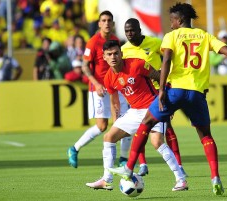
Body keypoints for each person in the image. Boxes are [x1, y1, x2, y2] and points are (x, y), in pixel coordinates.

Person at [108, 2, 227, 196]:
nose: (170, 24)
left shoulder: (172, 36)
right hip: (197, 93)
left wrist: (161, 90)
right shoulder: (205, 36)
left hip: (175, 90)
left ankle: (128, 168)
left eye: (172, 20)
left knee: (146, 122)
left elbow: (167, 60)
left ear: (179, 20)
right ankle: (215, 178)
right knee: (205, 136)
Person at [85, 40, 187, 191]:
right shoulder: (108, 77)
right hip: (134, 111)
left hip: (153, 108)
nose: (113, 57)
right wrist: (116, 122)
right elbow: (114, 103)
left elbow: (160, 77)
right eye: (109, 54)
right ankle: (107, 179)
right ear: (104, 57)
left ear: (121, 54)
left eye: (116, 53)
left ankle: (181, 180)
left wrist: (166, 103)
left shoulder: (137, 64)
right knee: (109, 137)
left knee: (156, 142)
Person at [121, 18, 187, 177]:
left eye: (132, 30)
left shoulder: (155, 43)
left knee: (167, 128)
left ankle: (179, 164)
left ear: (139, 30)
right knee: (140, 129)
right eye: (127, 31)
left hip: (158, 92)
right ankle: (142, 163)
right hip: (139, 94)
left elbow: (169, 59)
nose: (130, 33)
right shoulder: (123, 49)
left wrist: (168, 81)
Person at [67, 11, 130, 169]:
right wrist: (96, 83)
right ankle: (74, 148)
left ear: (113, 24)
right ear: (99, 24)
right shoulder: (92, 42)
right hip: (99, 89)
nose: (107, 23)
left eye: (109, 20)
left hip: (116, 87)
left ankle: (123, 158)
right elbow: (85, 66)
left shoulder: (116, 40)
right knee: (102, 126)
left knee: (122, 124)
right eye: (104, 20)